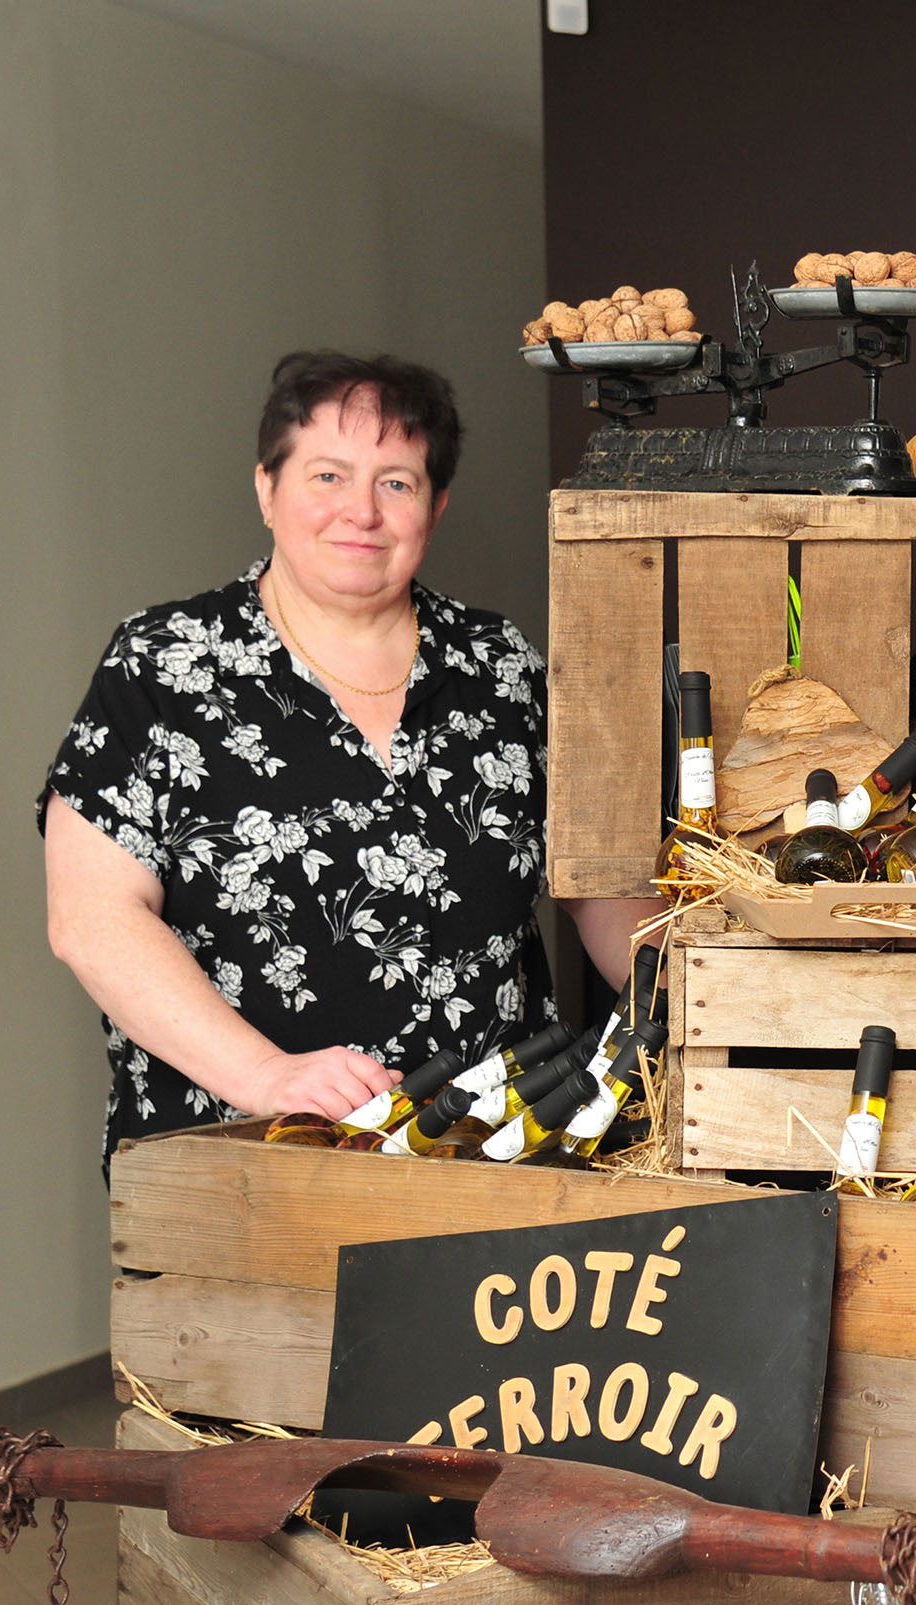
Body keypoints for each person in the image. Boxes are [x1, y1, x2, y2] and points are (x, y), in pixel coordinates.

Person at [41, 351, 654, 1162]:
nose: (360, 511)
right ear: (267, 489)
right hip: (245, 1161)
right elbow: (93, 921)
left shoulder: (501, 667)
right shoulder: (163, 664)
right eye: (327, 475)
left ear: (435, 508)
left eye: (395, 482)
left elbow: (610, 899)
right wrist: (267, 1075)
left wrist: (714, 1012)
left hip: (491, 1163)